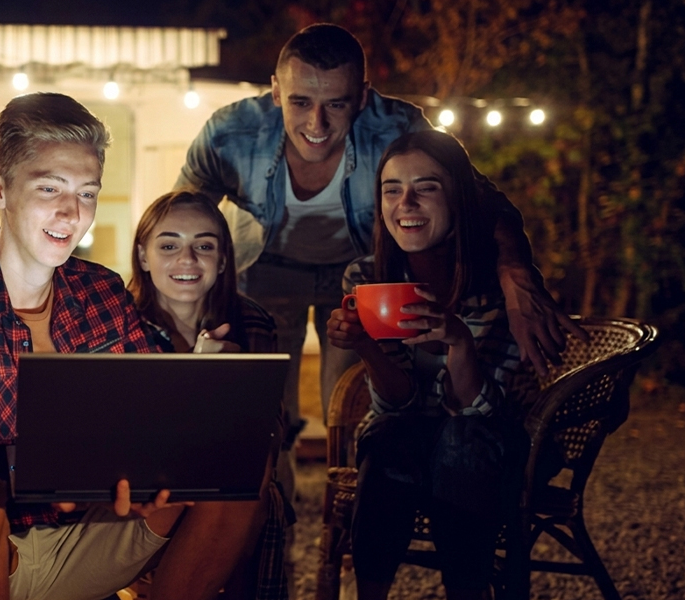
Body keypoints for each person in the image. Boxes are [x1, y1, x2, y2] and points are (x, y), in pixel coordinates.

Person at [175, 23, 583, 549]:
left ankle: (347, 543)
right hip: (266, 267)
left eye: (337, 104)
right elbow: (180, 215)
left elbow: (482, 199)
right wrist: (183, 301)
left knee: (352, 409)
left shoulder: (398, 126)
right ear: (274, 91)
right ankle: (271, 534)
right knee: (264, 413)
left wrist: (515, 274)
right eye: (299, 102)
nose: (317, 124)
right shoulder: (230, 132)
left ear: (363, 96)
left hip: (357, 272)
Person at [0, 92, 263, 600]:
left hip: (89, 532)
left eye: (87, 193)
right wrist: (94, 465)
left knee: (237, 459)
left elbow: (148, 413)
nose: (71, 212)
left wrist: (203, 392)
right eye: (49, 188)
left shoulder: (102, 289)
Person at [326, 130, 530, 600]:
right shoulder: (367, 276)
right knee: (387, 436)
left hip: (489, 446)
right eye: (392, 190)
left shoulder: (496, 284)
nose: (406, 204)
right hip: (406, 434)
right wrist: (365, 346)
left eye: (427, 187)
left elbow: (482, 412)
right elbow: (396, 404)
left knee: (459, 440)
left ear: (458, 198)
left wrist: (459, 341)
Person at [127, 189, 292, 600]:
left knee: (251, 466)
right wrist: (199, 379)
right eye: (169, 246)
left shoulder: (251, 320)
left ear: (222, 260)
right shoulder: (117, 322)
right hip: (139, 485)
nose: (187, 259)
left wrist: (235, 388)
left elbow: (271, 437)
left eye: (204, 246)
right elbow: (122, 440)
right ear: (144, 256)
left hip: (230, 484)